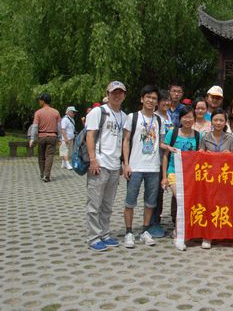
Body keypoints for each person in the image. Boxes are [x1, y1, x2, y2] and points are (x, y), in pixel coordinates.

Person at [85, 81, 127, 251]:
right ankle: (93, 237)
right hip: (100, 164)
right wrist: (93, 159)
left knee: (108, 204)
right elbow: (90, 135)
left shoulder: (124, 116)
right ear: (107, 94)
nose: (117, 95)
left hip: (115, 166)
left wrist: (122, 162)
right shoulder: (99, 112)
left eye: (120, 92)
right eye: (113, 92)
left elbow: (123, 141)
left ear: (124, 95)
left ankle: (105, 233)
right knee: (94, 204)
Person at [122, 85, 164, 249]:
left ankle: (145, 231)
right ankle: (129, 232)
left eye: (154, 98)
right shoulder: (132, 117)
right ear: (142, 99)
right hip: (135, 166)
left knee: (150, 202)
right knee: (130, 201)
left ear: (157, 102)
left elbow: (160, 143)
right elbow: (126, 141)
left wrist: (171, 148)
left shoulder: (158, 120)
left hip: (153, 167)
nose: (151, 100)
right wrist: (126, 164)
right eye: (148, 97)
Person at [160, 106, 200, 251]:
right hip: (173, 172)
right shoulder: (173, 133)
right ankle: (179, 237)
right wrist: (164, 177)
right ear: (180, 119)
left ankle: (179, 230)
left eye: (190, 117)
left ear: (194, 119)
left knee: (186, 202)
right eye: (185, 117)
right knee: (182, 200)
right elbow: (165, 155)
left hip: (189, 174)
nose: (188, 120)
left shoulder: (198, 135)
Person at [198, 108, 233, 249]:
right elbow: (199, 156)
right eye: (216, 120)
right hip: (209, 178)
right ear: (211, 121)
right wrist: (203, 154)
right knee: (208, 205)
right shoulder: (205, 137)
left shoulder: (230, 138)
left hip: (224, 178)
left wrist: (230, 155)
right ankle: (207, 236)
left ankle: (221, 232)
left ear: (225, 122)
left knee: (222, 206)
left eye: (221, 120)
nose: (218, 123)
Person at [149, 89, 173, 238]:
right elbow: (156, 141)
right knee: (155, 194)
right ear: (158, 102)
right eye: (163, 100)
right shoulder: (154, 117)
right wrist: (169, 147)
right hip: (156, 160)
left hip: (166, 159)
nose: (166, 103)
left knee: (161, 193)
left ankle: (156, 221)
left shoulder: (169, 116)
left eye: (168, 100)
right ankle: (152, 223)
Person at [29, 93, 61, 182]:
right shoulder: (56, 112)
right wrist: (60, 138)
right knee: (49, 156)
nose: (39, 101)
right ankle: (46, 175)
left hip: (41, 137)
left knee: (41, 156)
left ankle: (42, 173)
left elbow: (35, 127)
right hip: (52, 137)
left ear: (43, 101)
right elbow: (59, 126)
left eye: (40, 100)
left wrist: (32, 138)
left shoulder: (38, 112)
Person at [60, 106, 78, 170]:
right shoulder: (65, 119)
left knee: (68, 152)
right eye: (73, 112)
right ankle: (67, 164)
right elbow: (63, 129)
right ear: (68, 112)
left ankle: (63, 163)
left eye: (74, 112)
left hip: (71, 138)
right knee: (64, 151)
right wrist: (65, 139)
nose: (74, 113)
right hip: (66, 138)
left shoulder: (72, 119)